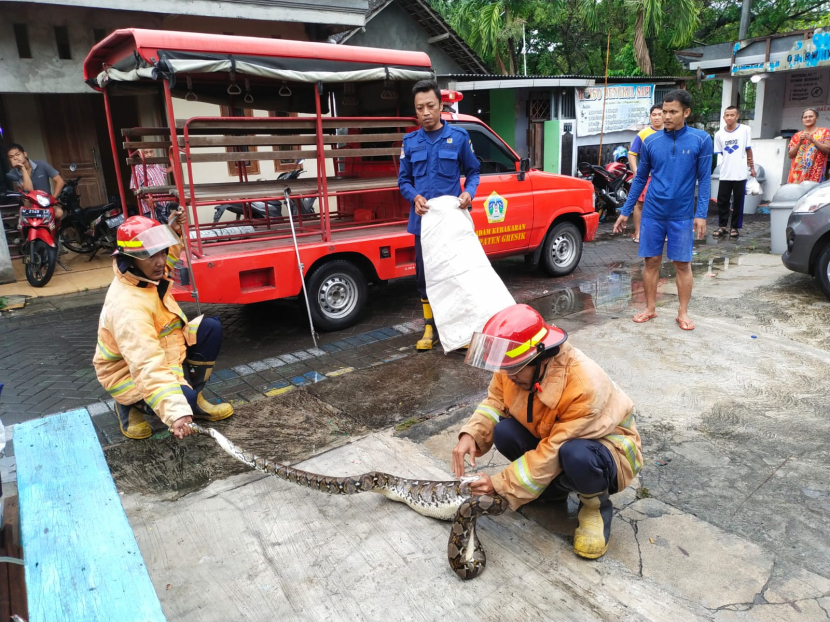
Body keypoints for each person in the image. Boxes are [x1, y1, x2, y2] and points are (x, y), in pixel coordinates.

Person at [452, 304, 641, 559]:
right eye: (504, 369)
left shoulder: (584, 385)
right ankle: (551, 493)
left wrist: (500, 484)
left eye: (514, 369)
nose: (507, 376)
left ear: (540, 358)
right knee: (504, 431)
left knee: (576, 454)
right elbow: (496, 403)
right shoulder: (514, 368)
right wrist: (471, 435)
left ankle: (595, 508)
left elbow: (553, 450)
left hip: (607, 451)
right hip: (554, 442)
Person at [93, 211, 234, 440]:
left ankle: (193, 399)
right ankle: (129, 405)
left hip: (165, 350)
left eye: (162, 251)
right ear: (132, 258)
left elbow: (166, 258)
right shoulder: (128, 308)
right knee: (181, 403)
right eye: (151, 255)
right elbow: (146, 363)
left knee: (210, 329)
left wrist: (172, 229)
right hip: (129, 372)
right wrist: (176, 412)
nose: (161, 262)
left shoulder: (145, 273)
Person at [613, 90, 712, 331]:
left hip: (682, 213)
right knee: (651, 261)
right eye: (664, 112)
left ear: (686, 112)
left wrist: (701, 214)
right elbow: (640, 179)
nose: (666, 117)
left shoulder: (701, 140)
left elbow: (705, 179)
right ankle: (649, 308)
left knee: (682, 264)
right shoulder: (651, 141)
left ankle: (683, 312)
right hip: (653, 212)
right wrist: (626, 211)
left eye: (673, 112)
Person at [398, 79, 480, 351]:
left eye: (430, 106)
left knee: (455, 274)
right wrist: (414, 197)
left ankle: (462, 329)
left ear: (441, 106)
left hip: (451, 223)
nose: (425, 112)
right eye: (419, 108)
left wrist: (469, 193)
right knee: (425, 276)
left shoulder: (458, 138)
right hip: (423, 224)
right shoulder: (409, 142)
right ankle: (430, 328)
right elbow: (403, 181)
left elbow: (474, 172)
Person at [713, 106, 756, 239]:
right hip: (725, 172)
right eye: (727, 115)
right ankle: (723, 226)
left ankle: (735, 227)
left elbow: (748, 150)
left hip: (740, 172)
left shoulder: (745, 130)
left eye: (732, 115)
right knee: (722, 200)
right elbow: (721, 153)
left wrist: (752, 167)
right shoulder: (719, 134)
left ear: (737, 116)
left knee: (738, 201)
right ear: (723, 117)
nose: (729, 117)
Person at [627, 104, 664, 243]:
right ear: (650, 117)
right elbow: (631, 153)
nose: (657, 117)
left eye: (660, 114)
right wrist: (636, 171)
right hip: (646, 177)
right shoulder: (643, 134)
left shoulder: (669, 132)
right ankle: (638, 233)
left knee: (662, 204)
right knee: (640, 204)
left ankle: (662, 233)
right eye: (654, 115)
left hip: (663, 177)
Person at [6, 143, 65, 219]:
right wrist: (23, 169)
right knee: (26, 223)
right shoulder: (13, 174)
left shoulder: (42, 164)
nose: (15, 158)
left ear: (25, 154)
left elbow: (60, 181)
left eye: (17, 154)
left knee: (59, 213)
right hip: (30, 206)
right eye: (11, 157)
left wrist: (53, 198)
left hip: (46, 202)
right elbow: (29, 190)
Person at [787, 108, 830, 184]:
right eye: (805, 117)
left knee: (812, 194)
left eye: (811, 116)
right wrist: (799, 143)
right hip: (796, 175)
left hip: (815, 174)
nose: (808, 119)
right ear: (802, 120)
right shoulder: (797, 136)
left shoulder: (824, 132)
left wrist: (812, 139)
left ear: (816, 118)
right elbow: (790, 155)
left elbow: (827, 149)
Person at [130, 147, 173, 219]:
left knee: (167, 228)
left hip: (164, 205)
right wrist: (147, 200)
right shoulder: (138, 168)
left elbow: (165, 171)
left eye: (151, 152)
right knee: (154, 228)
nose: (150, 155)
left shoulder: (156, 166)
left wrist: (176, 161)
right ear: (140, 154)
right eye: (146, 153)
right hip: (150, 208)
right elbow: (134, 187)